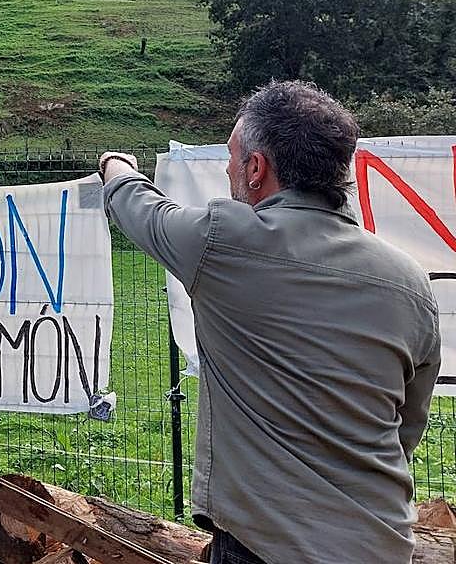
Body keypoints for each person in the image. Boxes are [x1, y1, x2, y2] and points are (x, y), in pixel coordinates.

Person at [98, 80, 441, 564]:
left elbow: (141, 210)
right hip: (380, 543)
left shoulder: (223, 243)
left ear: (255, 169)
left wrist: (116, 167)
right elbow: (407, 424)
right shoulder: (410, 280)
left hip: (264, 545)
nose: (228, 173)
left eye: (232, 162)